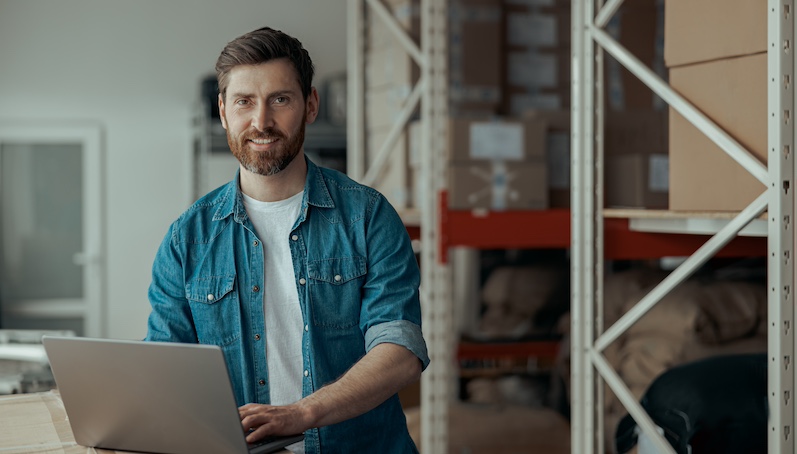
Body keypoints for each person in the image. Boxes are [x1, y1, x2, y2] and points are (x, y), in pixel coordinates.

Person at [145, 26, 429, 453]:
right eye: (244, 102)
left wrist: (302, 414)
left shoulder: (368, 217)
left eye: (280, 99)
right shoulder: (188, 238)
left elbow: (400, 348)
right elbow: (164, 366)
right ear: (222, 111)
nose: (261, 122)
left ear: (310, 105)